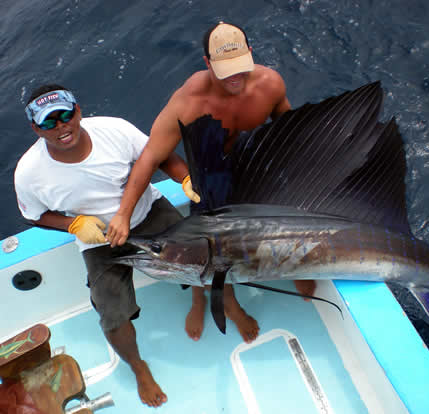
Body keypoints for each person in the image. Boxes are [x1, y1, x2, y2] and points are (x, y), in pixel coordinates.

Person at [106, 21, 316, 343]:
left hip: (256, 167)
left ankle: (298, 269)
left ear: (250, 52)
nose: (236, 77)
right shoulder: (188, 101)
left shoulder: (270, 83)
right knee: (208, 251)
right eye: (225, 70)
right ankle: (224, 303)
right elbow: (149, 157)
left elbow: (290, 130)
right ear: (207, 63)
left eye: (241, 66)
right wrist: (123, 213)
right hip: (211, 178)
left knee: (282, 228)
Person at [14, 85, 186, 408]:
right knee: (113, 317)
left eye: (66, 115)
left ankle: (203, 301)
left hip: (149, 214)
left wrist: (187, 180)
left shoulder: (114, 130)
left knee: (204, 258)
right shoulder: (27, 173)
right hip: (98, 242)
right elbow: (33, 215)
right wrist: (73, 225)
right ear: (36, 129)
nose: (61, 127)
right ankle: (139, 368)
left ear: (78, 110)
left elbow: (159, 157)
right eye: (49, 123)